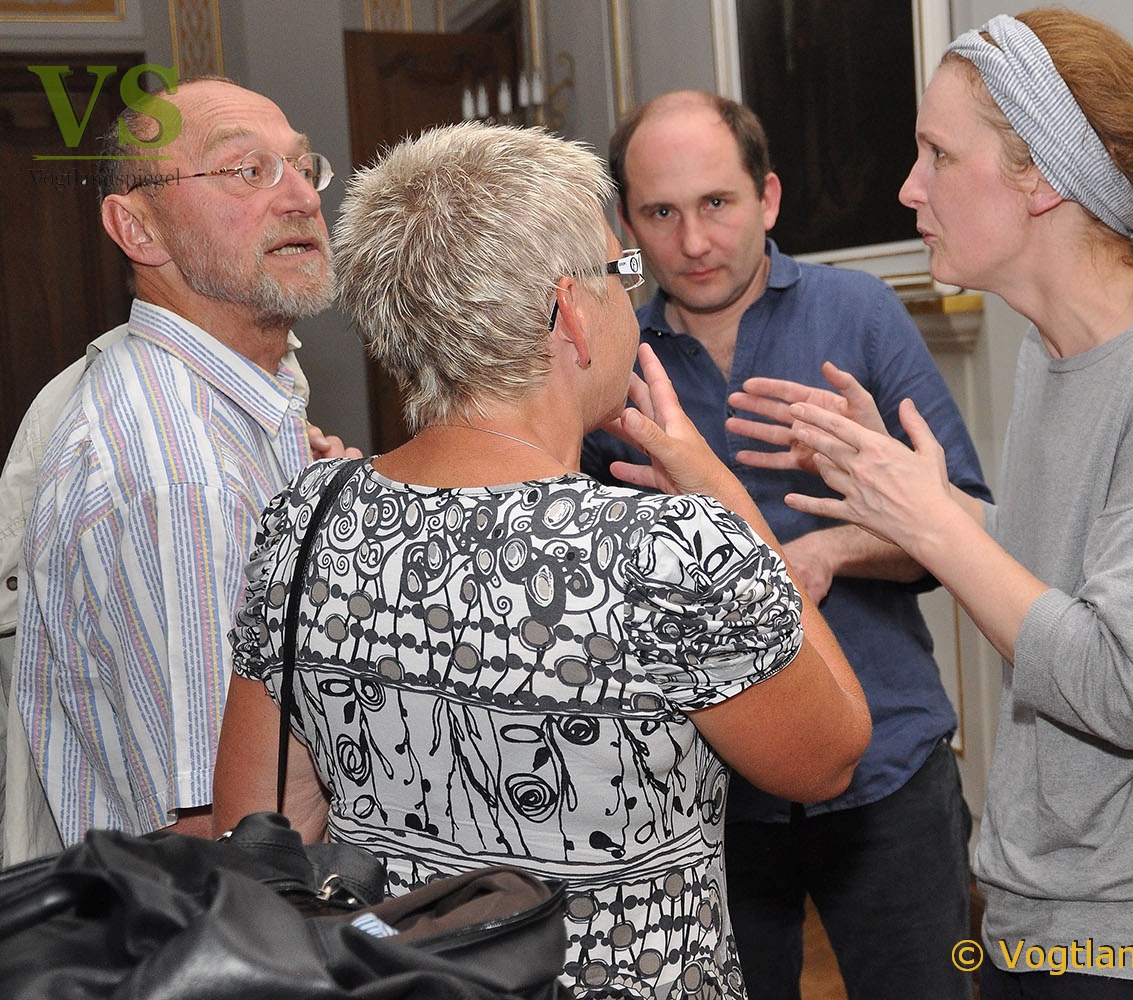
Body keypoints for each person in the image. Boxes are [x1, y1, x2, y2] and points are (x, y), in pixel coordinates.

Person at [210, 120, 871, 1000]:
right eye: (618, 273)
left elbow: (265, 824)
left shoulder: (306, 517)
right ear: (570, 313)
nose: (632, 300)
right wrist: (724, 500)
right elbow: (830, 754)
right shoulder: (663, 552)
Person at [750, 10, 1133, 1000]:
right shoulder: (1056, 355)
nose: (908, 187)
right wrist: (896, 489)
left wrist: (931, 521)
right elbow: (1053, 590)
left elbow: (1121, 685)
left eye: (936, 153)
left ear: (1043, 175)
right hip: (1046, 917)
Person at [582, 90, 989, 1000]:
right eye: (662, 213)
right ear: (627, 224)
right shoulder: (607, 361)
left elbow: (963, 520)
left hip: (889, 766)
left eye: (717, 204)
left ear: (767, 198)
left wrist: (831, 548)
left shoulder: (860, 314)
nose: (692, 242)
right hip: (706, 789)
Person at [12, 75, 360, 848]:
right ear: (139, 231)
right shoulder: (180, 477)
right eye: (248, 170)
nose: (301, 195)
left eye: (304, 166)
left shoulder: (246, 405)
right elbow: (228, 836)